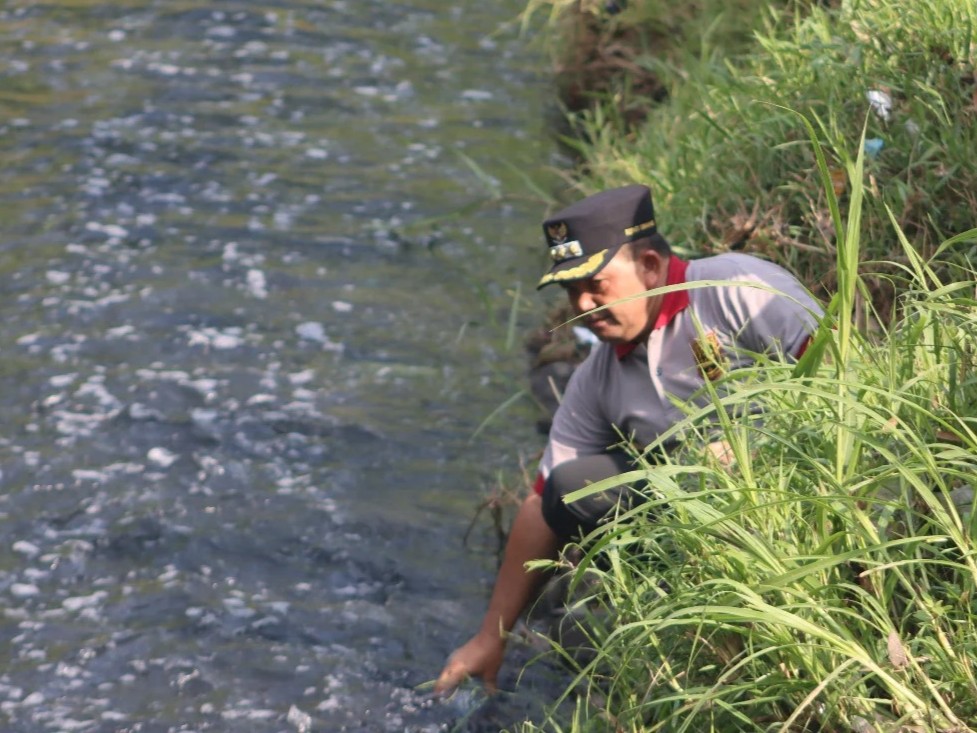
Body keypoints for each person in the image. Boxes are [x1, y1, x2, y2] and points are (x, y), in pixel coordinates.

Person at [434, 183, 821, 695]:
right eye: (571, 291)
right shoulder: (597, 378)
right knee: (572, 486)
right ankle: (672, 614)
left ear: (652, 267)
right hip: (699, 527)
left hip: (807, 493)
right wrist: (491, 636)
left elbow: (841, 377)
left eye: (595, 285)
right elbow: (542, 502)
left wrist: (758, 447)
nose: (582, 304)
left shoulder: (738, 289)